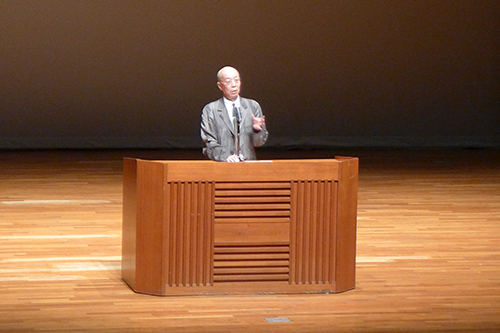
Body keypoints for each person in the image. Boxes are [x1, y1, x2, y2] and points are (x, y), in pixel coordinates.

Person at [201, 66, 268, 162]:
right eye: (228, 82)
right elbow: (209, 142)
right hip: (222, 166)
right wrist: (225, 157)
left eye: (237, 80)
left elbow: (259, 142)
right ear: (220, 86)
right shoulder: (210, 109)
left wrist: (257, 130)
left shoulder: (252, 106)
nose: (234, 85)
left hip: (248, 165)